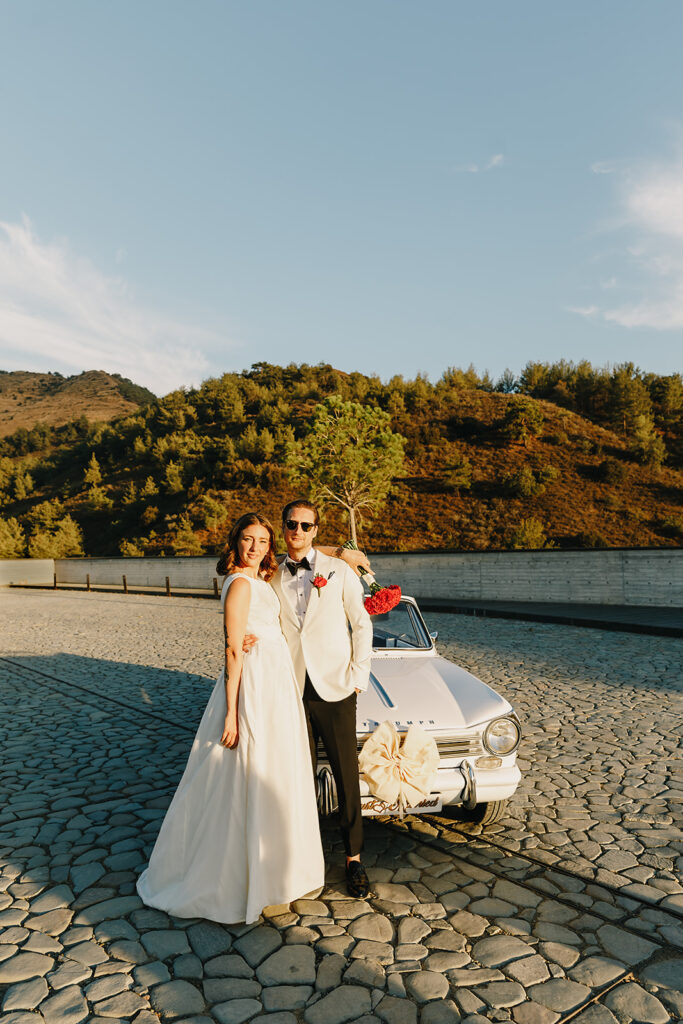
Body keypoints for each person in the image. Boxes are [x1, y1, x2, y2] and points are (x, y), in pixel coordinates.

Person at [136, 512, 325, 925]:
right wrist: (232, 713)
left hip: (277, 684)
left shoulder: (260, 581)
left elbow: (262, 624)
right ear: (235, 542)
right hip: (254, 687)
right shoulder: (240, 583)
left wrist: (342, 552)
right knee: (247, 774)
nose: (255, 546)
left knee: (277, 773)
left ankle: (279, 873)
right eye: (247, 539)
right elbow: (232, 649)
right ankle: (238, 878)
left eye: (262, 539)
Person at [269, 499, 373, 898]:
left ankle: (354, 859)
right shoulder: (272, 574)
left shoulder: (338, 570)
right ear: (283, 527)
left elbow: (361, 623)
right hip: (290, 687)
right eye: (291, 524)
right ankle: (302, 859)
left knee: (347, 774)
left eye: (306, 525)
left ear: (316, 530)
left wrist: (358, 676)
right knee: (297, 776)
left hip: (335, 687)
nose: (298, 531)